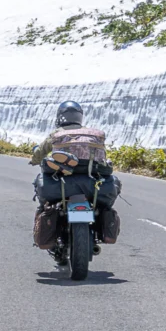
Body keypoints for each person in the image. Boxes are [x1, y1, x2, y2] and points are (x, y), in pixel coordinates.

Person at [30, 101, 121, 254]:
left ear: (60, 117)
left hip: (62, 183)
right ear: (80, 117)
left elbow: (39, 153)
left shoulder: (56, 134)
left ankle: (45, 231)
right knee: (106, 202)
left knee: (43, 197)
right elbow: (103, 158)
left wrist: (34, 160)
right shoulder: (92, 135)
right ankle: (103, 227)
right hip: (92, 182)